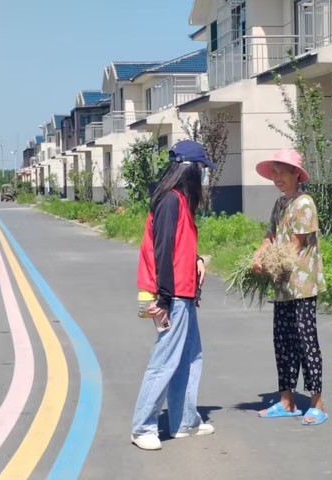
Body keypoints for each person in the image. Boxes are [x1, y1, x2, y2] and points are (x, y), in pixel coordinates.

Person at [131, 140, 215, 450]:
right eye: (202, 169)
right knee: (164, 361)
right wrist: (164, 299)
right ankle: (143, 427)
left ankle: (184, 422)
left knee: (190, 358)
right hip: (174, 296)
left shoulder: (179, 200)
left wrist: (197, 261)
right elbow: (162, 250)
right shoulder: (170, 201)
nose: (203, 175)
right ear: (189, 169)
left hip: (184, 295)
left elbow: (179, 248)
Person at [253, 148, 328, 426]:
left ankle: (317, 403)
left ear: (296, 173)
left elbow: (294, 247)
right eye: (274, 173)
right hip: (283, 286)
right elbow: (270, 236)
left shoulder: (304, 204)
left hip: (302, 286)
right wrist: (258, 254)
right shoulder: (279, 204)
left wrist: (269, 263)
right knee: (283, 342)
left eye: (282, 172)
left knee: (306, 342)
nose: (277, 178)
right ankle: (287, 401)